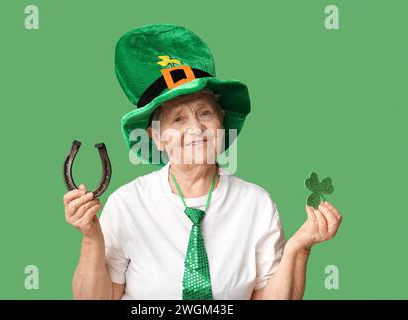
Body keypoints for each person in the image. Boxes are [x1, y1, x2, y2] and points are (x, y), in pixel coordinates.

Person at [62, 24, 342, 300]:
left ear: (221, 120)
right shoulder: (127, 204)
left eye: (205, 113)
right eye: (178, 119)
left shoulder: (257, 204)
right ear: (156, 137)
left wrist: (299, 248)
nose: (196, 129)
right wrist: (90, 237)